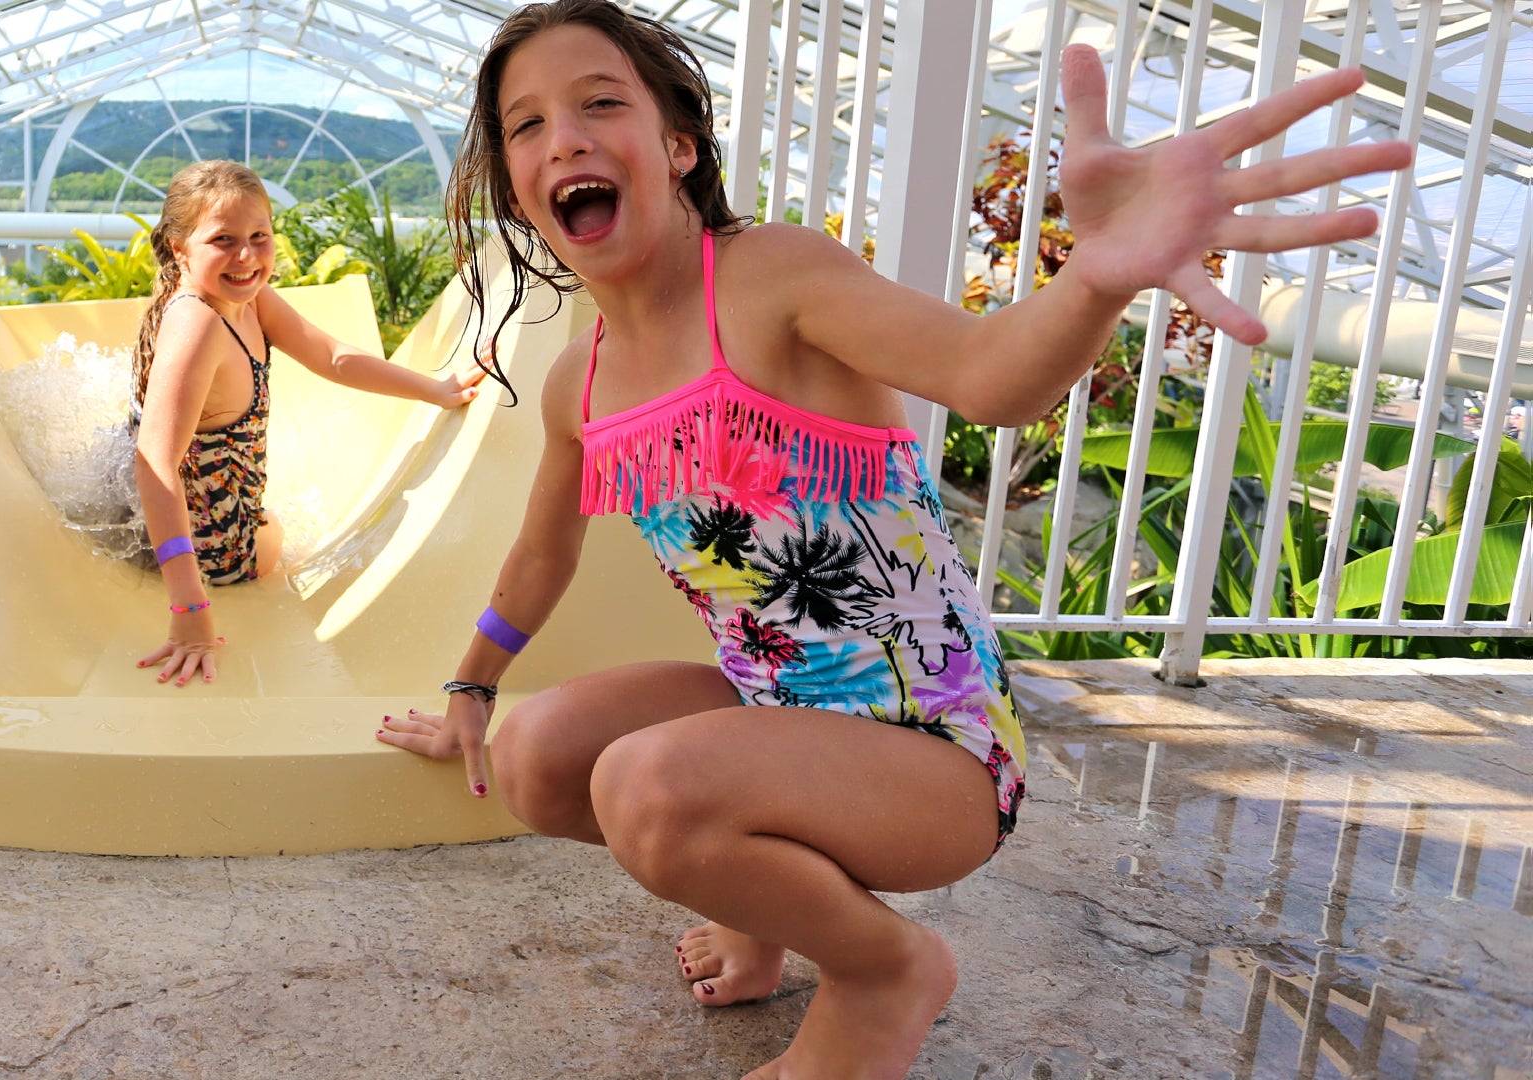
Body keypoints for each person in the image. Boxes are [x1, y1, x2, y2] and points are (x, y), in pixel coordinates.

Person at [375, 2, 1413, 1075]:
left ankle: (884, 971)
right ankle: (762, 908)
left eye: (602, 103)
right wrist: (471, 688)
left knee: (648, 788)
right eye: (527, 125)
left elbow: (987, 376)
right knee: (544, 759)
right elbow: (545, 554)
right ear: (513, 185)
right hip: (778, 713)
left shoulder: (773, 277)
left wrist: (1099, 273)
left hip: (935, 755)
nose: (568, 139)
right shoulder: (576, 383)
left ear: (678, 146)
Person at [133, 161, 486, 688]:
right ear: (180, 247)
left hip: (171, 514)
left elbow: (333, 357)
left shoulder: (243, 299)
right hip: (217, 550)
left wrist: (434, 389)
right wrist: (189, 609)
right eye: (223, 240)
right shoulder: (197, 322)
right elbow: (154, 460)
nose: (246, 256)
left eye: (259, 237)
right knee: (279, 536)